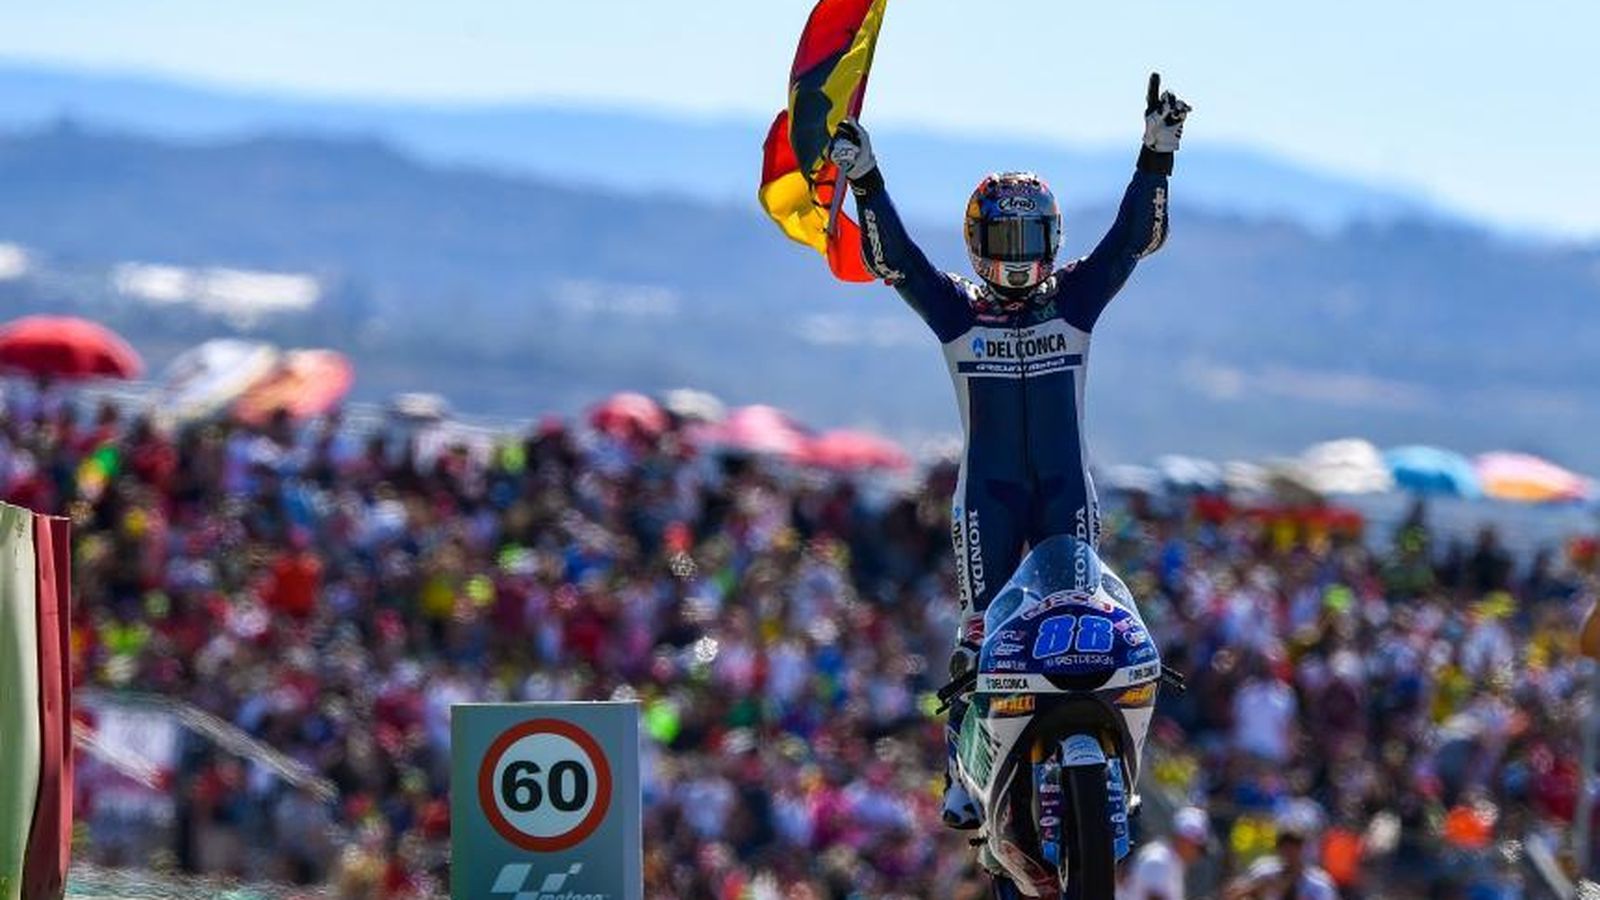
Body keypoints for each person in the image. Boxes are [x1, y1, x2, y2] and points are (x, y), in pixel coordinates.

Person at [827, 73, 1191, 827]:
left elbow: (1132, 241)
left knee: (1092, 621)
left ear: (1051, 242)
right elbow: (898, 263)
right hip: (987, 498)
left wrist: (1157, 154)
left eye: (1029, 239)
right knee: (977, 637)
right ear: (978, 243)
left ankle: (1113, 763)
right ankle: (962, 774)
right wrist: (868, 180)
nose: (1017, 255)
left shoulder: (1077, 301)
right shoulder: (958, 312)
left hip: (1066, 491)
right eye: (1003, 239)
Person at [1221, 816, 1338, 900]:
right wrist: (1255, 888)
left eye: (1294, 847)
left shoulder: (1318, 882)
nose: (1289, 853)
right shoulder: (1265, 871)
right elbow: (1230, 894)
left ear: (1302, 849)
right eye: (1285, 847)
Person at [1119, 806, 1211, 899]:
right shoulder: (1159, 861)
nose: (1197, 854)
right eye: (1197, 847)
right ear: (1184, 840)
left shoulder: (1172, 862)